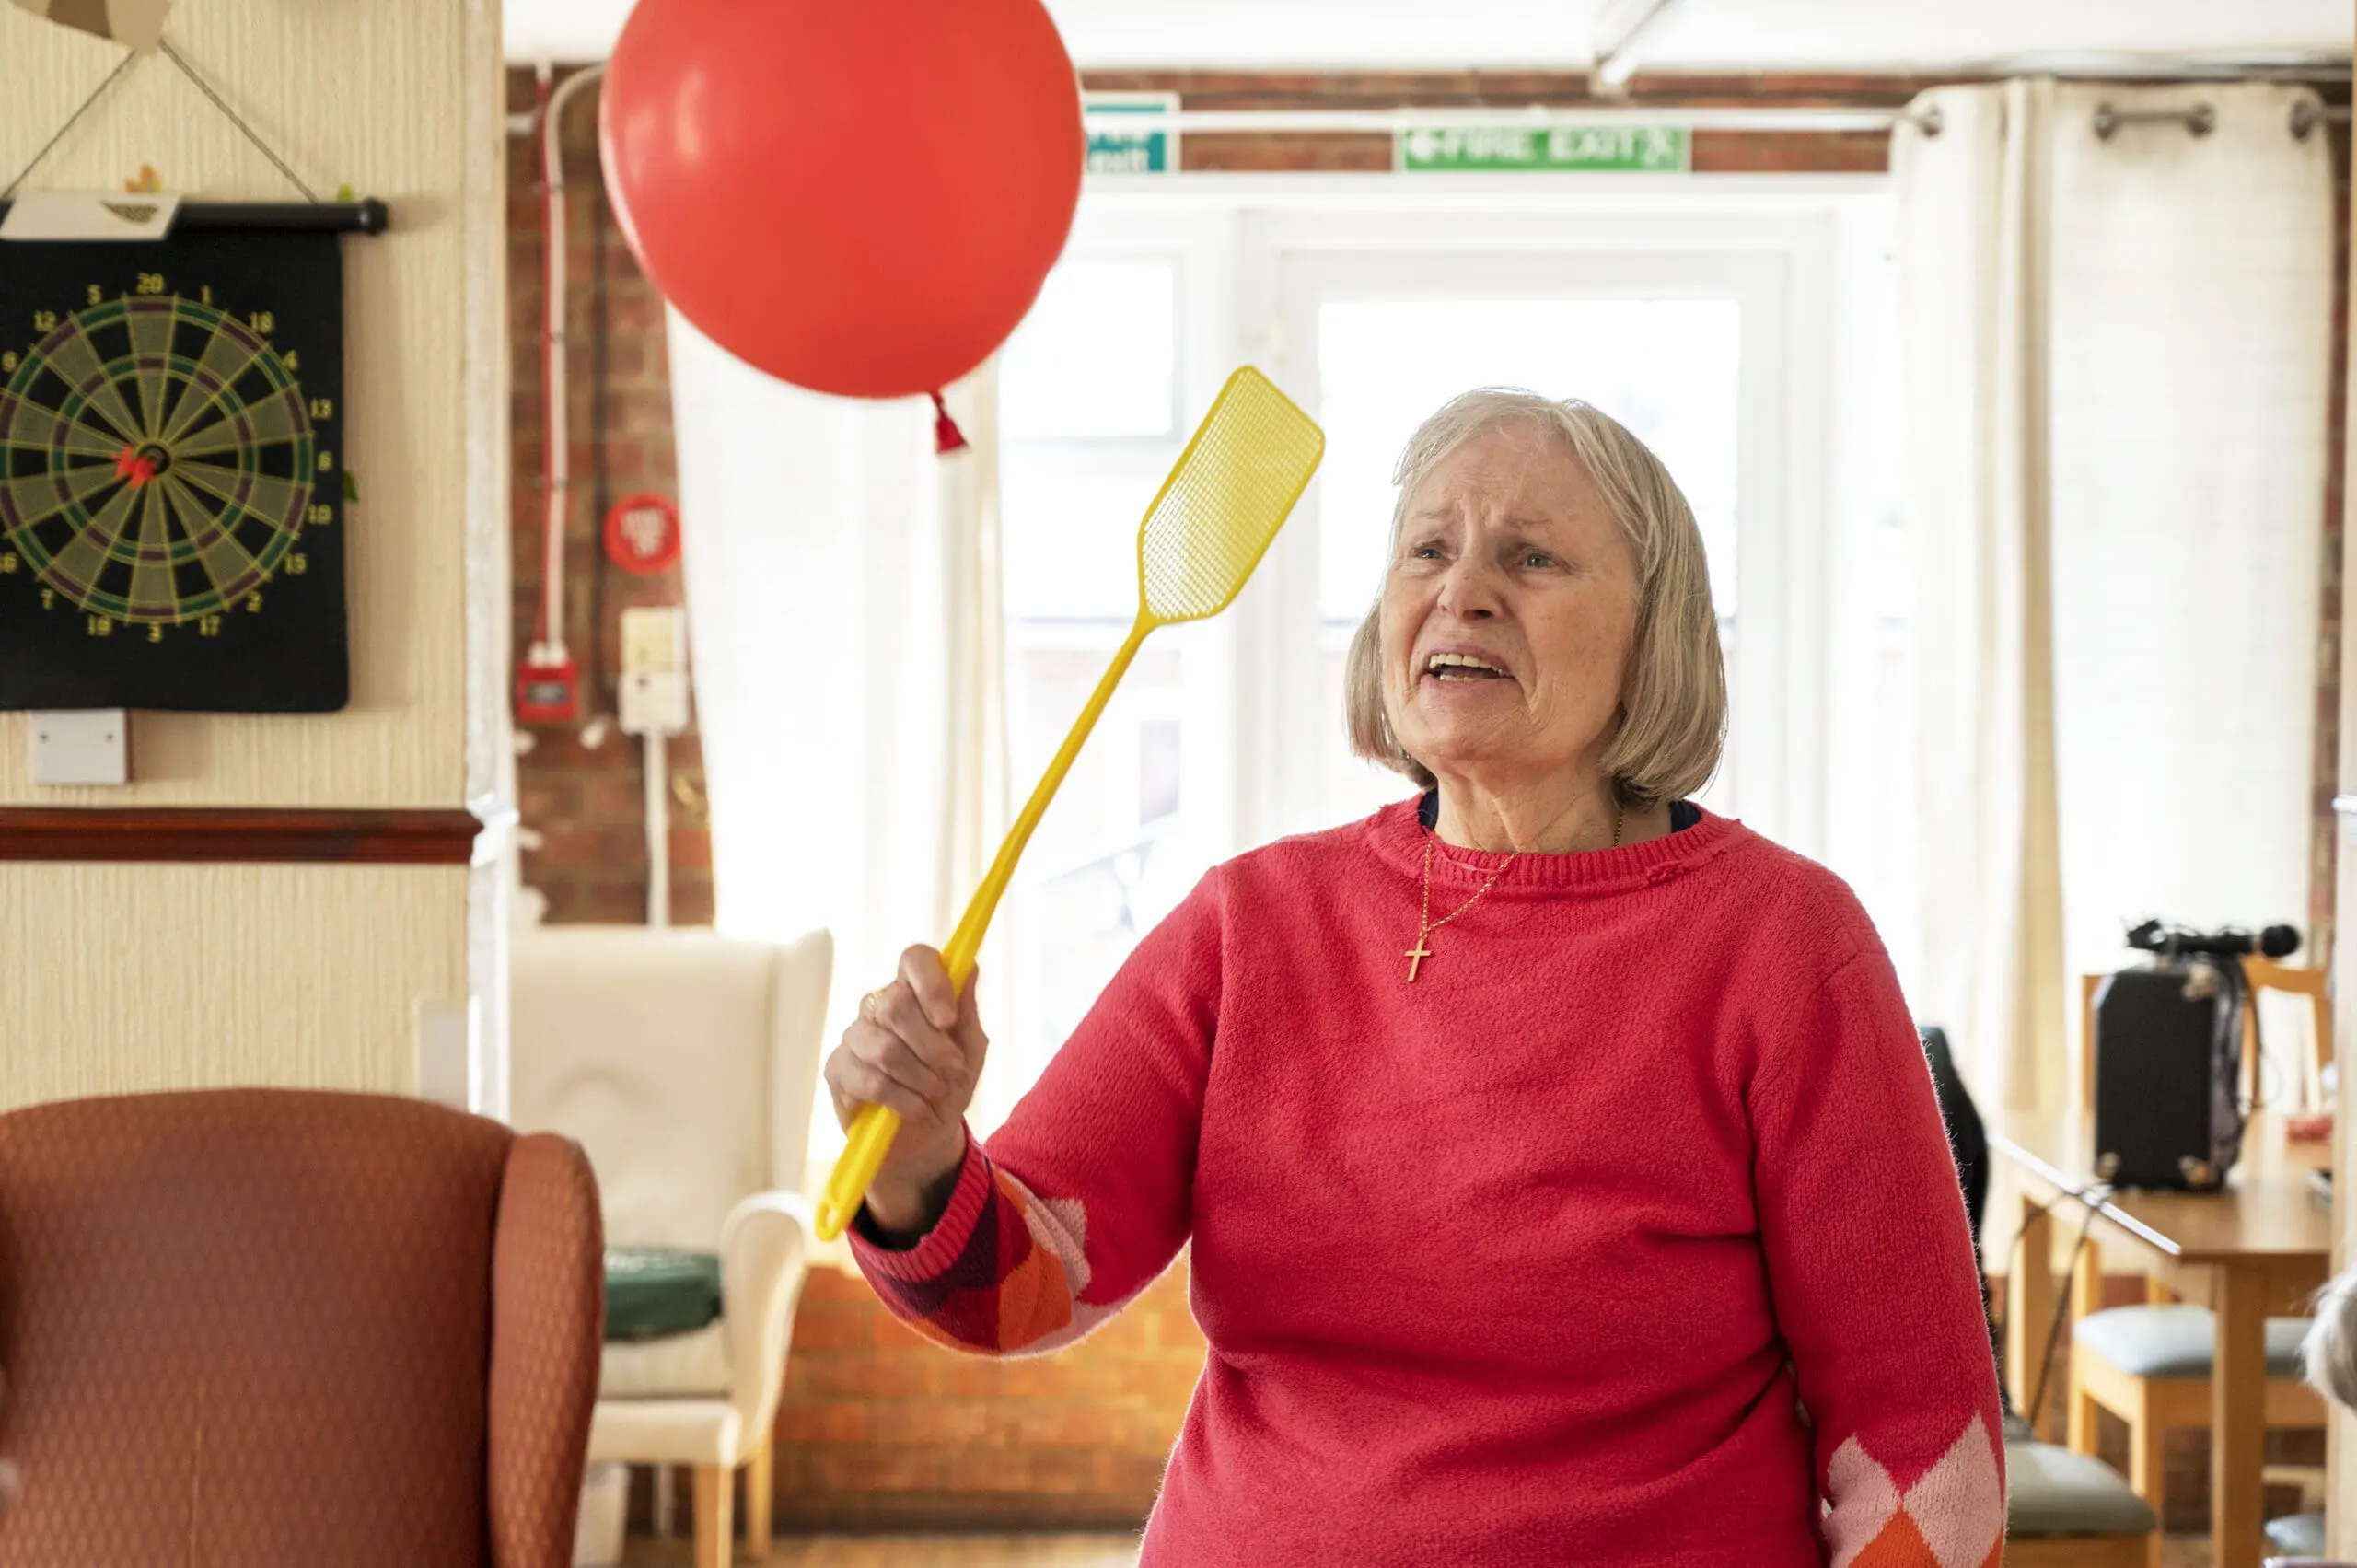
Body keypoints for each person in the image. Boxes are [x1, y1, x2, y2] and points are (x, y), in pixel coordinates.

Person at [824, 388, 2005, 1564]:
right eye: (1426, 550)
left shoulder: (1785, 942)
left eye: (1532, 556)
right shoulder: (1249, 925)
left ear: (1657, 632)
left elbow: (1923, 1451)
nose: (1463, 588)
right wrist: (921, 1165)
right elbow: (1023, 1290)